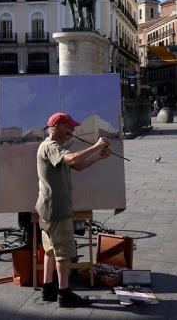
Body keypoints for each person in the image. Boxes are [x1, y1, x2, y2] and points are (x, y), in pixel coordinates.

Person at [36, 112, 111, 307]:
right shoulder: (51, 146)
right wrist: (95, 146)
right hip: (57, 209)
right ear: (58, 127)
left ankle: (47, 288)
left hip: (48, 208)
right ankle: (64, 293)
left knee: (51, 250)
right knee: (64, 252)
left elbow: (76, 165)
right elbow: (71, 158)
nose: (73, 130)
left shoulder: (52, 146)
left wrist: (97, 157)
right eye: (69, 127)